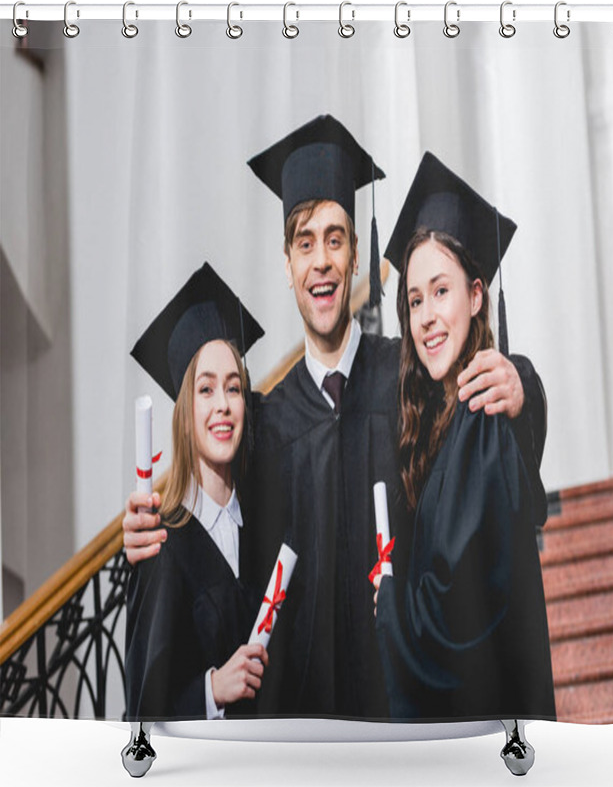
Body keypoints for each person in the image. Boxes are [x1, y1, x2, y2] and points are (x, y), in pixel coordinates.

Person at [124, 116, 544, 720]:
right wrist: (140, 530)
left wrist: (521, 382)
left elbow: (479, 427)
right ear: (289, 264)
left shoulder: (410, 375)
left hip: (413, 706)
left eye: (336, 239)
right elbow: (207, 501)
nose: (320, 260)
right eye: (304, 242)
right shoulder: (263, 422)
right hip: (305, 725)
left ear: (354, 259)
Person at [373, 152, 556, 720]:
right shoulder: (439, 421)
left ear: (477, 296)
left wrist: (390, 606)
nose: (426, 315)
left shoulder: (483, 410)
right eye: (414, 299)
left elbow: (461, 611)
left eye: (441, 291)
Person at [124, 263, 269, 721]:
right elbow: (142, 711)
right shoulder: (163, 545)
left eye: (234, 387)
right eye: (205, 390)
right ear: (186, 411)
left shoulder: (263, 523)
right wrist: (212, 689)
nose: (222, 404)